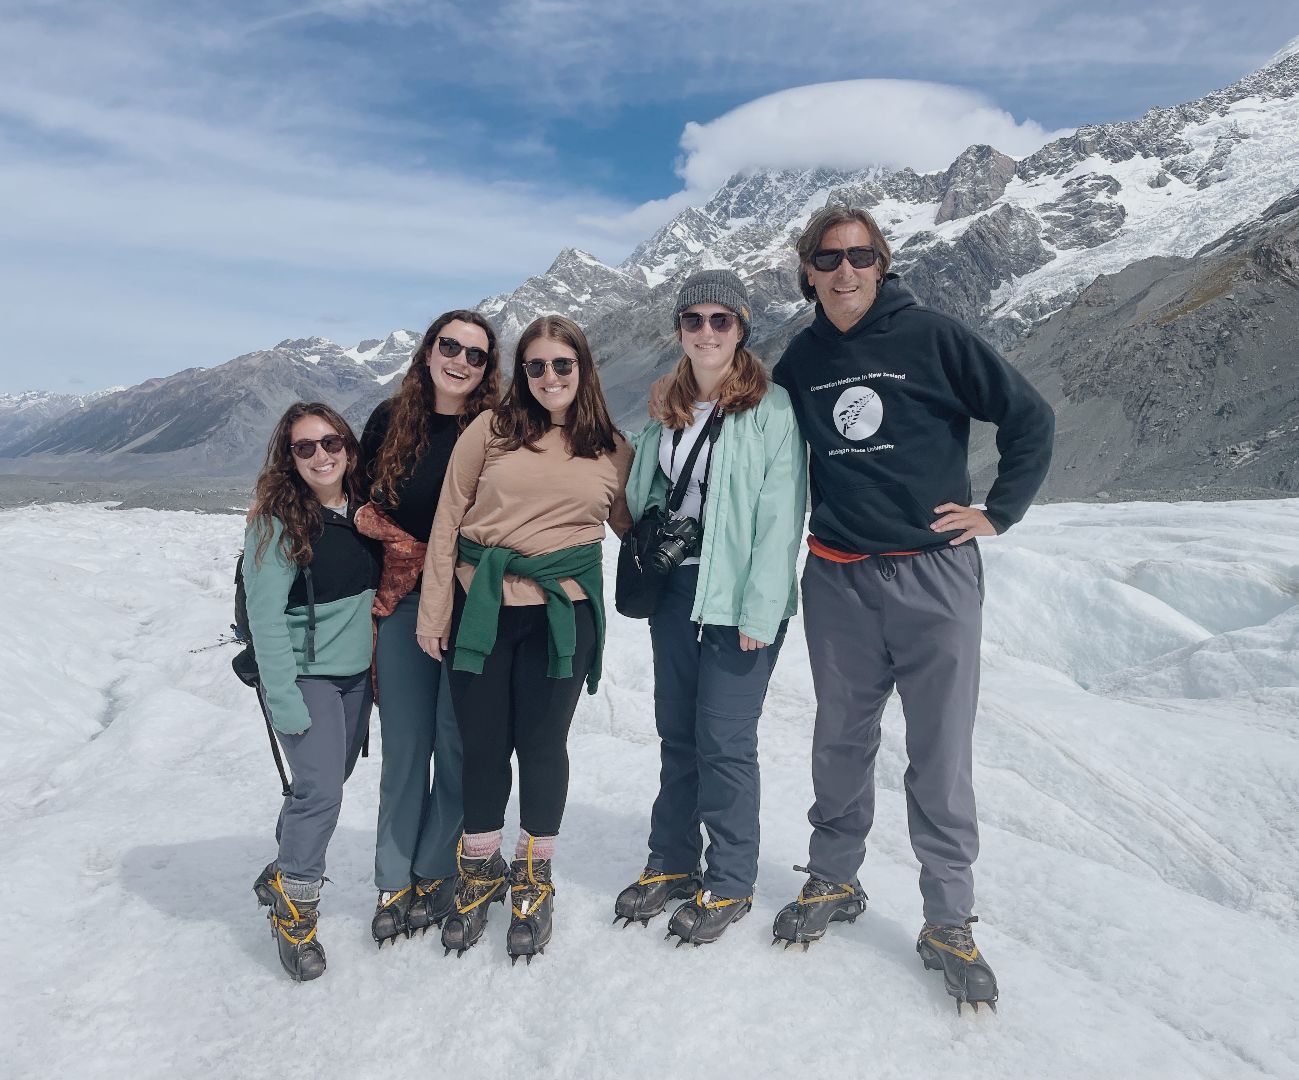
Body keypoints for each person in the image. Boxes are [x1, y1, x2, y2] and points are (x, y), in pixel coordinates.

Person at [768, 205, 1054, 1010]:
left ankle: (948, 919)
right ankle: (832, 880)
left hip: (933, 575)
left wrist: (998, 510)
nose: (846, 270)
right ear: (808, 272)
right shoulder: (801, 358)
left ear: (882, 263)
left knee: (939, 753)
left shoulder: (931, 335)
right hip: (837, 578)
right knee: (839, 740)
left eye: (861, 256)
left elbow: (1028, 418)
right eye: (829, 259)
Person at [416, 314, 634, 962]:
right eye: (535, 366)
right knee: (482, 748)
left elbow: (633, 525)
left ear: (582, 369)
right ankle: (480, 872)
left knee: (541, 746)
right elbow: (450, 517)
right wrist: (434, 614)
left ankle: (533, 876)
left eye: (560, 365)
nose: (548, 377)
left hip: (563, 616)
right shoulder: (491, 430)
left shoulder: (611, 448)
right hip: (482, 608)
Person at [614, 270, 805, 946]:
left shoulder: (771, 409)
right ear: (678, 329)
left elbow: (781, 516)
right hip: (674, 592)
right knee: (677, 733)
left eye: (719, 319)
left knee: (724, 741)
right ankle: (670, 862)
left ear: (741, 327)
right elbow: (645, 490)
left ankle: (728, 880)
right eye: (691, 319)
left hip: (738, 597)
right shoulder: (664, 403)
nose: (704, 331)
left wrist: (762, 609)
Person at [357, 311, 501, 946]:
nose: (461, 362)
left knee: (460, 741)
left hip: (472, 602)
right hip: (406, 603)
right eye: (450, 346)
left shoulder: (500, 429)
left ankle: (436, 869)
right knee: (408, 746)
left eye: (475, 354)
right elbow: (357, 506)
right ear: (427, 351)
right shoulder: (390, 423)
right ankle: (393, 877)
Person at [246, 401, 380, 981]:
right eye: (305, 447)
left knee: (321, 784)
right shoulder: (276, 522)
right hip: (305, 677)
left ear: (348, 447)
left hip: (354, 676)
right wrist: (283, 697)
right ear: (289, 457)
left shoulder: (365, 512)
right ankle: (296, 909)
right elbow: (265, 617)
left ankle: (282, 868)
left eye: (331, 443)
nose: (321, 455)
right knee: (322, 791)